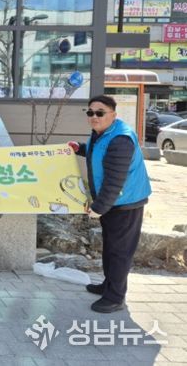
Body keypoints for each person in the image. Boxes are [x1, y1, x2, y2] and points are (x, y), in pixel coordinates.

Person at [69, 95, 151, 314]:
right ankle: (109, 285)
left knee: (120, 251)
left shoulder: (121, 139)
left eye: (100, 112)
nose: (94, 116)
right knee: (111, 247)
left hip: (126, 203)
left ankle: (116, 297)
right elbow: (99, 154)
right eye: (90, 112)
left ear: (113, 115)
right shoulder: (102, 133)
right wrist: (79, 148)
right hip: (113, 202)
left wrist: (98, 207)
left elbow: (115, 180)